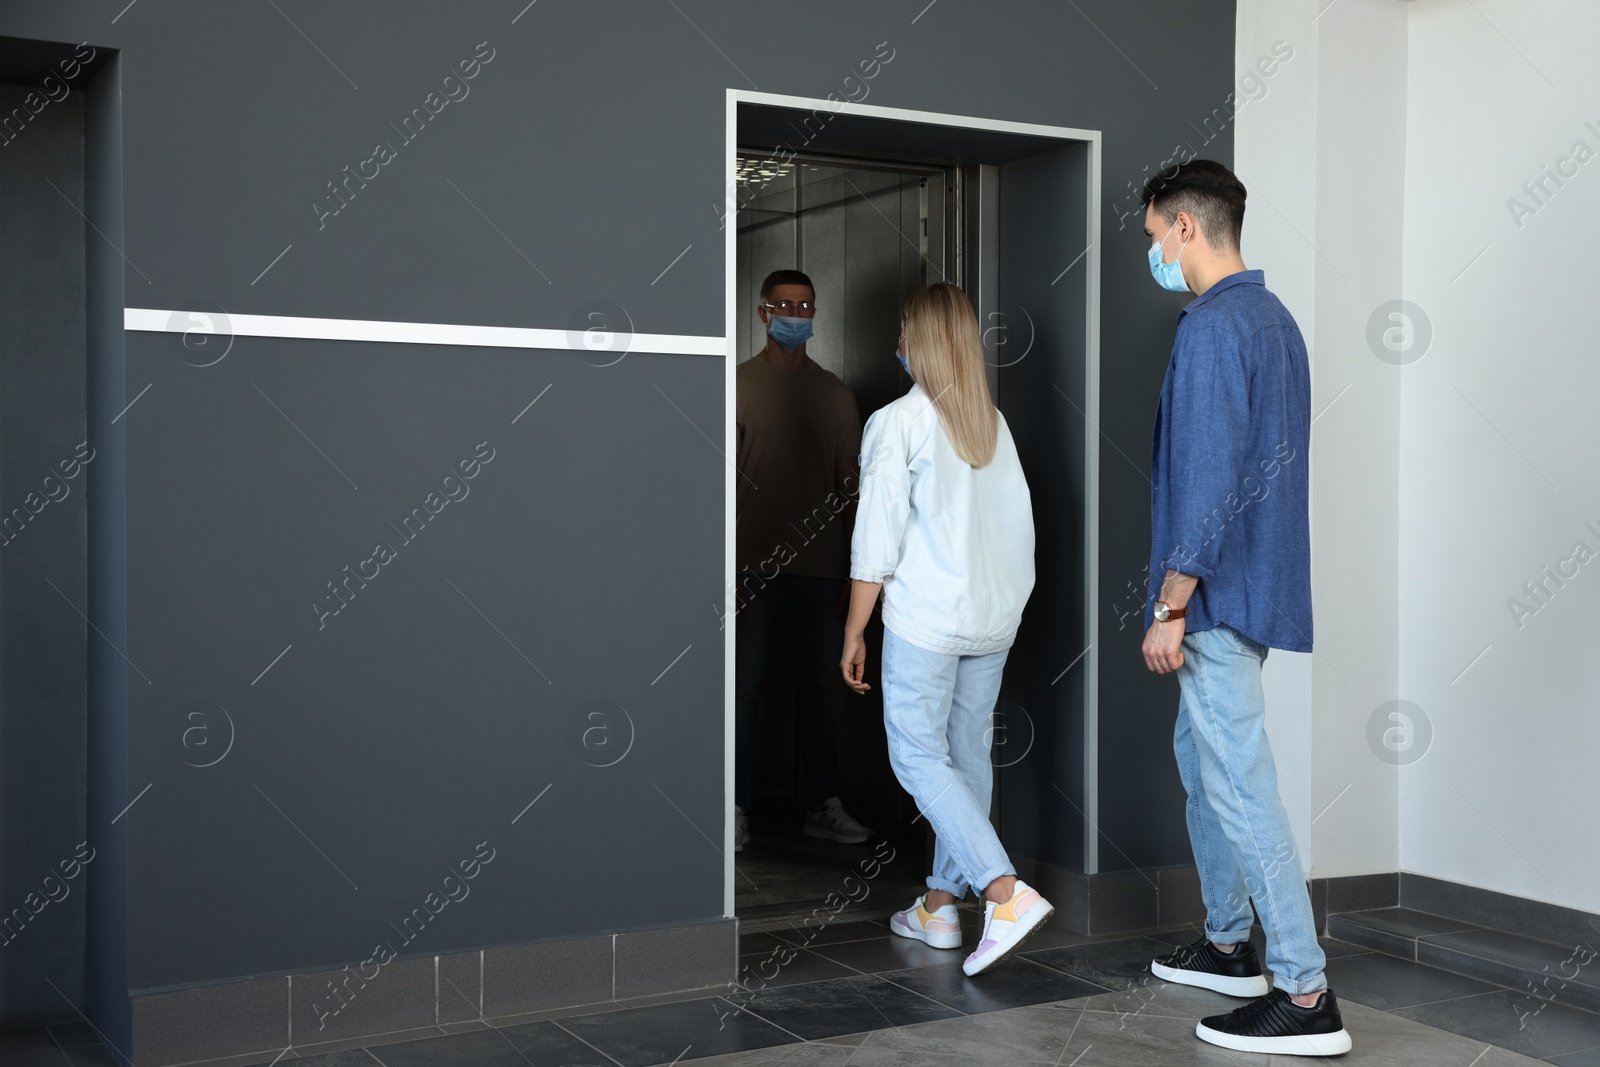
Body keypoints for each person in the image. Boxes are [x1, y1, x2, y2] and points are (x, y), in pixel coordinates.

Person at [1138, 159, 1351, 1057]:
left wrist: (1171, 601)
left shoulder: (1215, 327)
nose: (1156, 255)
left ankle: (1304, 992)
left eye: (1155, 238)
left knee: (1240, 781)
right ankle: (1229, 943)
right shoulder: (1275, 320)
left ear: (1187, 226)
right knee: (1202, 756)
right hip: (1253, 586)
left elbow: (1210, 475)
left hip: (1216, 597)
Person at [840, 281, 1053, 977]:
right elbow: (1020, 528)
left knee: (917, 757)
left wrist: (854, 630)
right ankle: (938, 903)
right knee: (966, 759)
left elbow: (876, 542)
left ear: (921, 341)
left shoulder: (896, 422)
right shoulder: (991, 421)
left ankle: (1001, 890)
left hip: (929, 622)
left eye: (904, 330)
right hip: (992, 622)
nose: (897, 343)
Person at [735, 269, 873, 852]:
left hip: (820, 571)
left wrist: (853, 573)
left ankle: (823, 803)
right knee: (745, 688)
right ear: (763, 312)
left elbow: (852, 492)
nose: (797, 314)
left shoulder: (836, 394)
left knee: (821, 689)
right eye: (786, 305)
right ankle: (734, 808)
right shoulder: (734, 384)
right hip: (749, 569)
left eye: (806, 305)